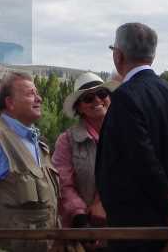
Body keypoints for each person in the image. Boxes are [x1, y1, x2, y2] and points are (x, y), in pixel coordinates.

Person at [96, 23, 168, 252]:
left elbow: (143, 161)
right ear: (152, 56)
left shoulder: (125, 97)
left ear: (118, 55)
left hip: (138, 227)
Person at [0, 72, 59, 252]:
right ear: (10, 103)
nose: (39, 98)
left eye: (37, 93)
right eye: (31, 93)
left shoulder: (39, 143)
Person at [54, 72, 117, 233]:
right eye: (88, 98)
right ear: (79, 107)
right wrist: (80, 217)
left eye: (102, 94)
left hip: (124, 226)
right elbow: (63, 185)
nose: (97, 100)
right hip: (83, 229)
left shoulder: (127, 134)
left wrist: (103, 202)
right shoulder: (66, 141)